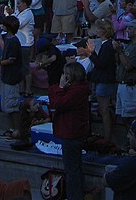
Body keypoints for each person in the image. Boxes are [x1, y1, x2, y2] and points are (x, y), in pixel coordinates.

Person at [48, 62, 91, 200]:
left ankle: (75, 197)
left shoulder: (76, 91)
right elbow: (51, 92)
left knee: (72, 170)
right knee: (76, 168)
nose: (63, 76)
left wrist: (60, 88)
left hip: (72, 133)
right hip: (75, 132)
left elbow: (57, 104)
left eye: (65, 74)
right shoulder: (78, 89)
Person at [0, 16, 24, 141]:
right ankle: (12, 129)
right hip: (6, 77)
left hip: (12, 78)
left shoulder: (13, 41)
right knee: (7, 106)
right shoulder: (7, 39)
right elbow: (4, 56)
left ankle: (17, 130)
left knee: (13, 106)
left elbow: (11, 60)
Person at [113, 20, 136, 126]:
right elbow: (119, 62)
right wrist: (117, 51)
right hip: (123, 84)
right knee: (121, 116)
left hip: (131, 87)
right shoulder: (130, 45)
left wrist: (120, 51)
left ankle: (134, 139)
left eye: (130, 29)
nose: (127, 31)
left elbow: (128, 66)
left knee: (130, 117)